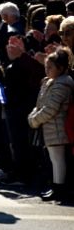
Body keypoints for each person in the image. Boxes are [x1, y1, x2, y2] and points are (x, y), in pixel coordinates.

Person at [28, 48, 74, 202]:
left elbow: (51, 108)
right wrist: (34, 115)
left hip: (56, 127)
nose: (47, 70)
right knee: (53, 159)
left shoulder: (62, 84)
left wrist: (35, 119)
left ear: (60, 68)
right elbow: (40, 104)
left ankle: (59, 188)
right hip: (48, 127)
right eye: (46, 67)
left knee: (58, 159)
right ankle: (55, 186)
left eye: (50, 67)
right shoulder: (49, 83)